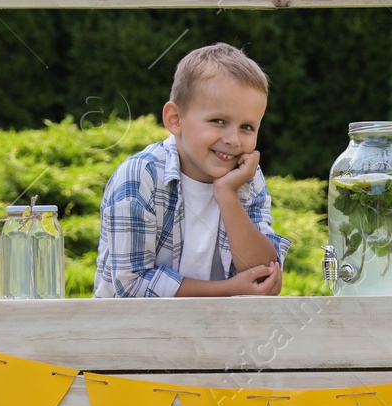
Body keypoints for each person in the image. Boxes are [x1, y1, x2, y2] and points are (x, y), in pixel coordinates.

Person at [93, 43, 290, 298]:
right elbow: (131, 285)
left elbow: (263, 274)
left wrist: (227, 194)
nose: (233, 139)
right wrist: (229, 290)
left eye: (247, 127)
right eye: (219, 121)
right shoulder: (140, 175)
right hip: (133, 334)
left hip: (216, 334)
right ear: (175, 119)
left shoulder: (246, 177)